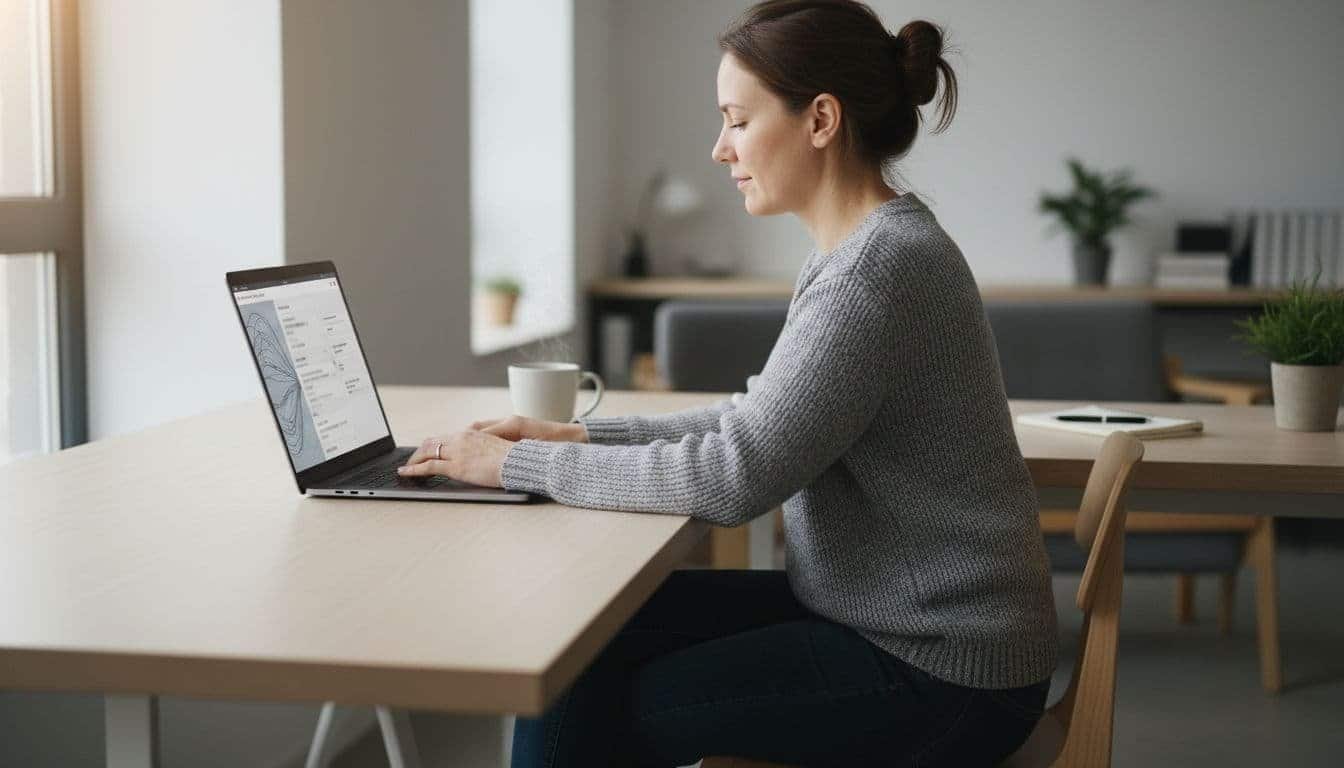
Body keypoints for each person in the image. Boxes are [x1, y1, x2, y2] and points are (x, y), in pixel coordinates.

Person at [399, 1, 1058, 765]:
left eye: (737, 121)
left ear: (820, 120)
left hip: (943, 671)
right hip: (884, 620)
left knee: (593, 701)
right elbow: (754, 422)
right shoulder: (861, 252)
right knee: (577, 641)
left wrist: (513, 465)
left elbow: (733, 477)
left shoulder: (876, 272)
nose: (720, 149)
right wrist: (575, 433)